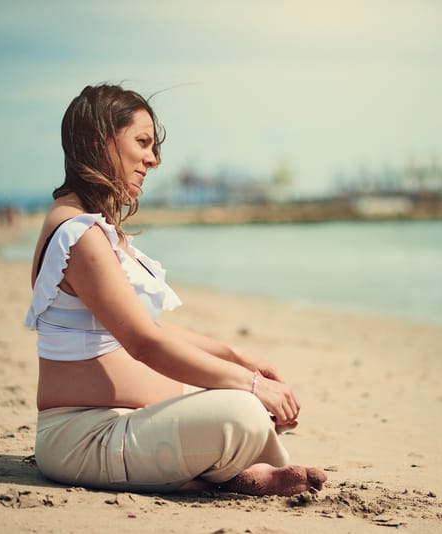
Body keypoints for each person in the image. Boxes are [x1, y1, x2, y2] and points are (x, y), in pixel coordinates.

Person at [25, 84, 326, 496]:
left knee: (238, 396)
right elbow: (144, 342)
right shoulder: (80, 235)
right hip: (82, 438)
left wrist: (240, 360)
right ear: (99, 141)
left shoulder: (89, 225)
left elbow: (151, 327)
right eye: (142, 142)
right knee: (242, 410)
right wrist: (251, 386)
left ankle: (225, 472)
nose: (153, 159)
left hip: (120, 423)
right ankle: (223, 476)